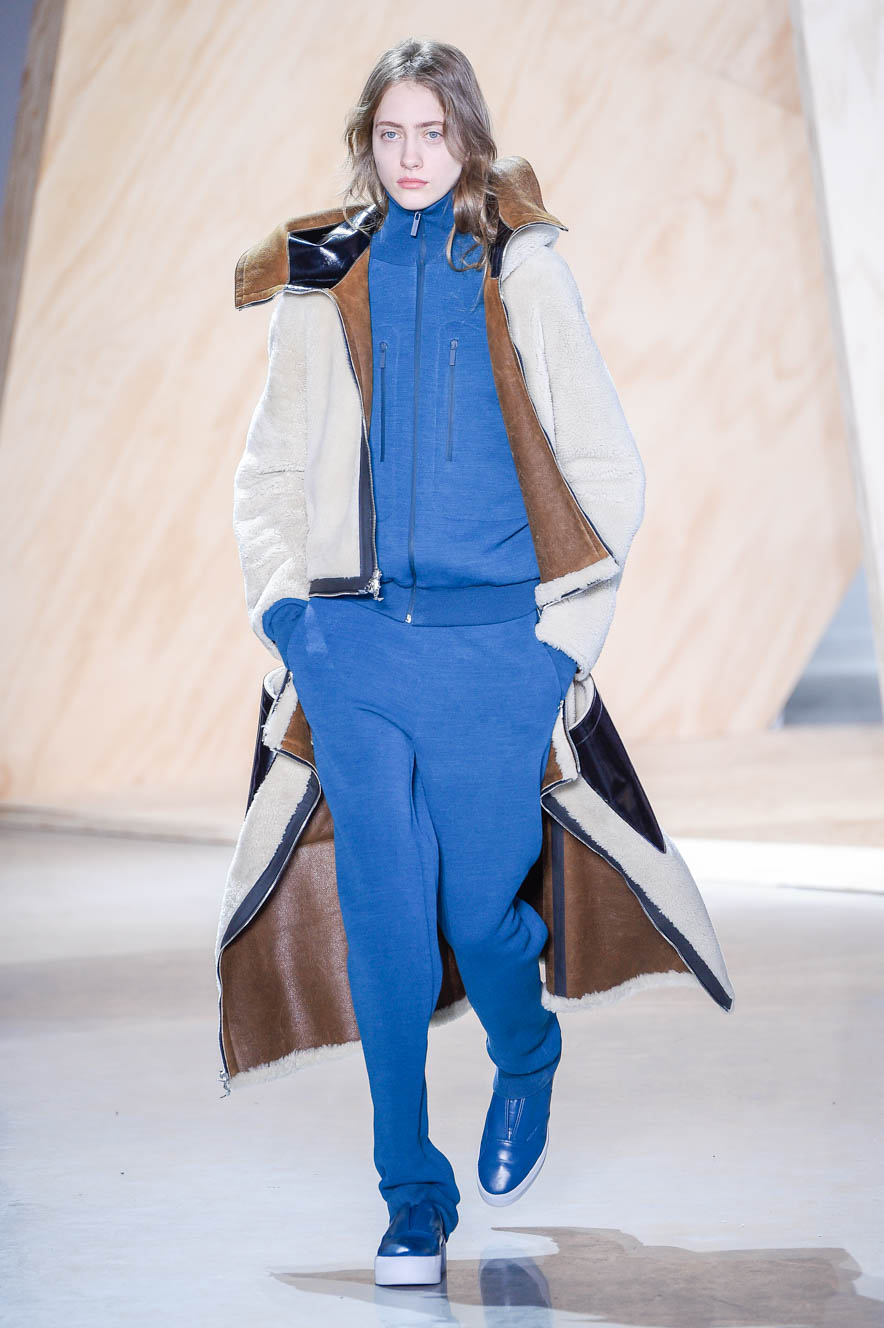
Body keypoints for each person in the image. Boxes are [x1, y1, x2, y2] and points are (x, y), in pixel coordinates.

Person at [235, 38, 643, 1287]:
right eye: (390, 134)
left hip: (493, 655)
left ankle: (525, 1053)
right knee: (385, 926)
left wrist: (554, 647)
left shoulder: (521, 267)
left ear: (465, 138)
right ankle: (409, 1193)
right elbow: (269, 471)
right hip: (355, 648)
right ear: (366, 142)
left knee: (477, 908)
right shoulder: (323, 277)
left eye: (432, 133)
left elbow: (605, 463)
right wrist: (291, 621)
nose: (411, 156)